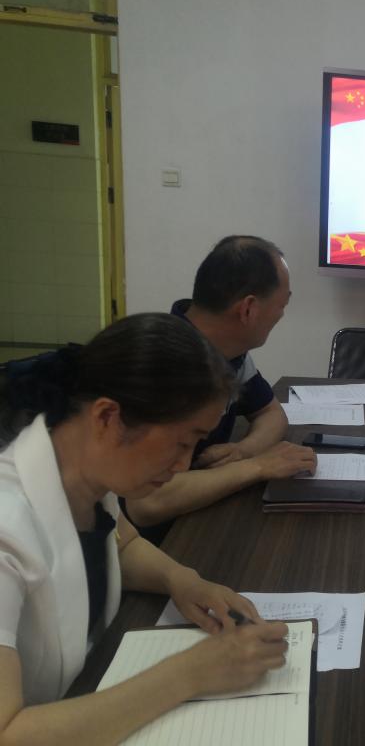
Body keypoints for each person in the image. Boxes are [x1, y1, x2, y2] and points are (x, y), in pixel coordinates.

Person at [0, 313, 289, 742]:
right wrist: (190, 673)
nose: (184, 464)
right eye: (182, 442)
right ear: (107, 417)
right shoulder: (7, 527)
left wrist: (182, 580)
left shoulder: (84, 473)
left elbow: (120, 543)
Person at [123, 236, 316, 543]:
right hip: (152, 541)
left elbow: (271, 413)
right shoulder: (162, 365)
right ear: (248, 309)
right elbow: (147, 503)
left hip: (201, 511)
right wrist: (257, 466)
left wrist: (242, 451)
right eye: (282, 305)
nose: (281, 315)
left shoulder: (230, 350)